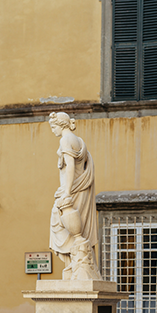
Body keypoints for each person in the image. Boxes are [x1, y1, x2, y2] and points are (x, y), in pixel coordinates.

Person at [48, 112, 99, 280]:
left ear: (61, 125)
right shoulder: (79, 141)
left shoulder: (66, 140)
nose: (53, 130)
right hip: (79, 188)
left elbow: (70, 167)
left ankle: (75, 265)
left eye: (53, 126)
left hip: (73, 189)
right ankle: (73, 265)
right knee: (75, 227)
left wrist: (67, 192)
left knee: (60, 220)